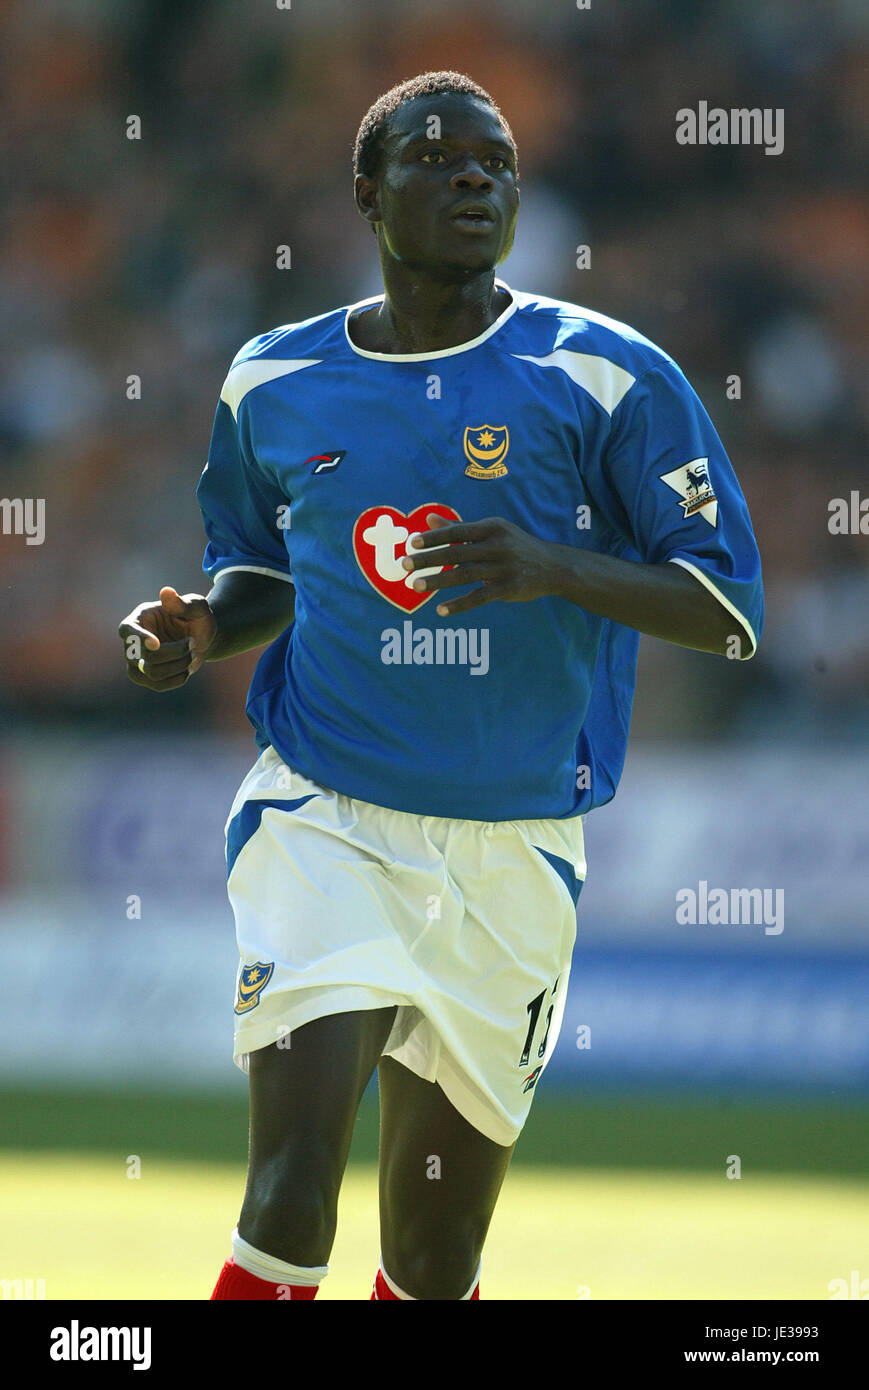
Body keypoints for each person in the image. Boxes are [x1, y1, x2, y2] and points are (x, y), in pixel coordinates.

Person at [118, 71, 763, 1301]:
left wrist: (549, 566)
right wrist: (200, 628)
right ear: (367, 192)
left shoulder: (606, 375)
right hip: (327, 819)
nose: (473, 177)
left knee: (430, 1258)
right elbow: (258, 572)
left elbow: (729, 614)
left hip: (515, 850)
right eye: (435, 157)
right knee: (289, 1190)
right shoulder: (272, 380)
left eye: (495, 162)